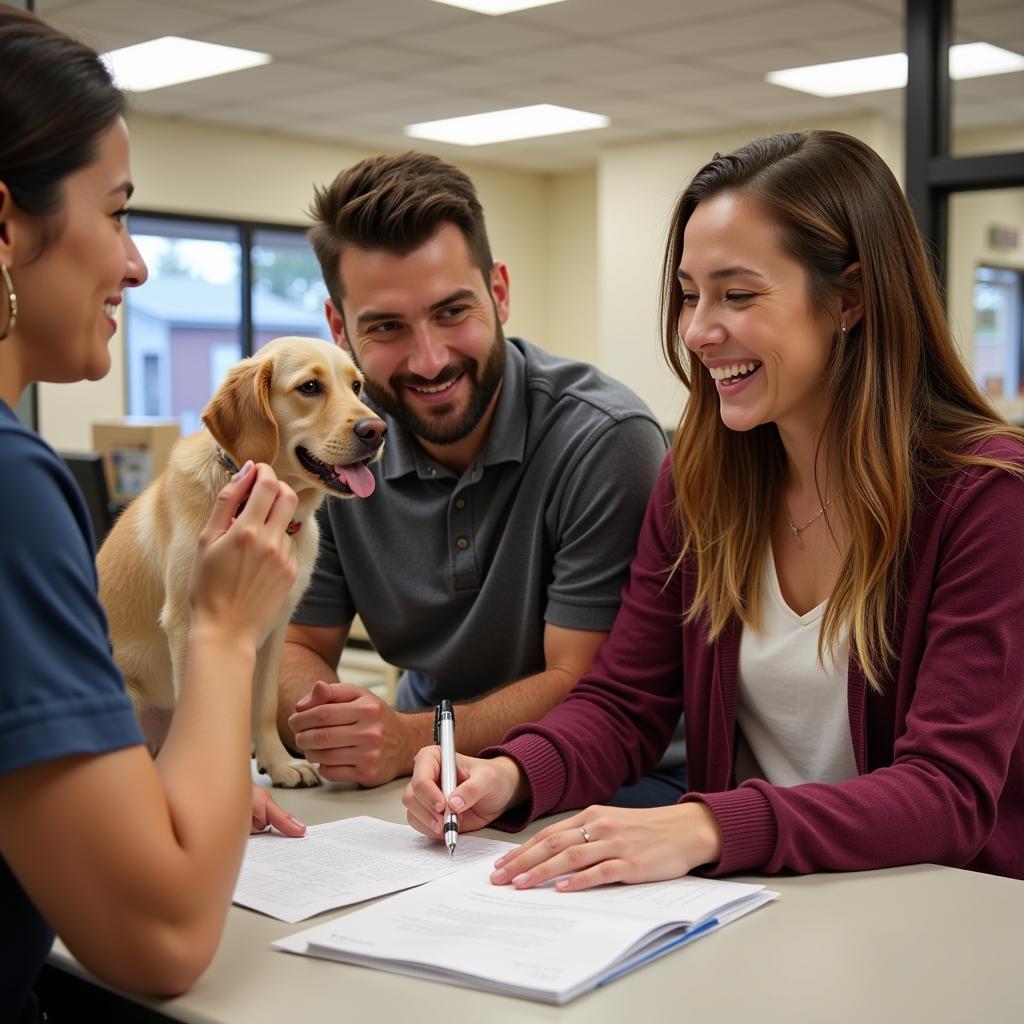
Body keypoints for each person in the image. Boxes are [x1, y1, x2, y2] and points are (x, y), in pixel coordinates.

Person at [403, 129, 1024, 885]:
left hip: (926, 908)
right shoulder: (702, 482)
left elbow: (947, 794)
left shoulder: (986, 499)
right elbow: (626, 702)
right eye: (690, 295)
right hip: (753, 900)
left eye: (738, 294)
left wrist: (706, 825)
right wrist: (508, 774)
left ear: (850, 298)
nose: (697, 330)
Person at [0, 8, 305, 1019]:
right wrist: (221, 627)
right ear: (5, 227)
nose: (135, 265)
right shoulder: (12, 486)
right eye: (120, 212)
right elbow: (161, 938)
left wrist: (167, 787)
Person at [277, 151, 678, 795]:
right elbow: (294, 640)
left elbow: (583, 686)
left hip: (613, 780)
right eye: (386, 327)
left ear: (500, 292)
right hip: (429, 776)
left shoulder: (603, 440)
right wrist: (335, 727)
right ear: (339, 327)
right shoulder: (333, 452)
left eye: (452, 312)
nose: (429, 359)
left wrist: (411, 737)